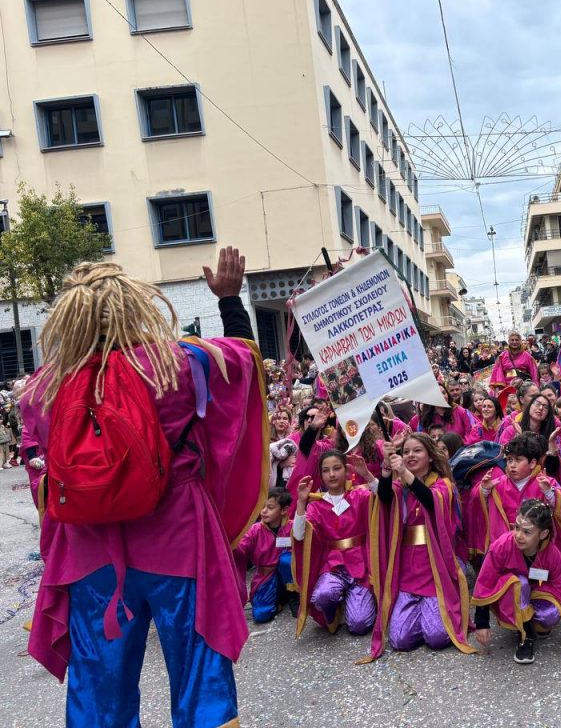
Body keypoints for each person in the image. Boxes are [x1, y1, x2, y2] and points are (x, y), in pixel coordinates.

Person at [20, 247, 266, 727]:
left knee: (97, 690)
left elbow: (44, 483)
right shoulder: (175, 367)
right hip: (178, 541)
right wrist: (230, 300)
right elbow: (246, 368)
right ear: (135, 307)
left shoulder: (41, 391)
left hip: (90, 554)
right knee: (199, 674)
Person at [368, 433, 474, 657]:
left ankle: (431, 612)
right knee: (399, 640)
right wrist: (387, 470)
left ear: (430, 457)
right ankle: (417, 610)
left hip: (435, 565)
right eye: (405, 452)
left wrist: (404, 472)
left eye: (417, 451)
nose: (410, 455)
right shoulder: (400, 485)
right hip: (408, 567)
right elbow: (385, 499)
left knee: (436, 637)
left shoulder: (443, 484)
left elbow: (430, 499)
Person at [472, 499, 561, 665]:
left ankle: (535, 621)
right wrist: (481, 622)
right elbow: (485, 581)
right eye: (517, 527)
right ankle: (526, 637)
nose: (518, 535)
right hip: (510, 595)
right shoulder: (501, 546)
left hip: (538, 592)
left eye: (527, 532)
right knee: (520, 583)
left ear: (543, 534)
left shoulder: (552, 555)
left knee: (550, 616)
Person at [291, 452, 377, 638]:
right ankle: (335, 611)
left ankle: (356, 601)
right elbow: (298, 535)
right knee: (322, 597)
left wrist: (368, 474)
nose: (331, 474)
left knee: (359, 626)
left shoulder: (360, 495)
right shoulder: (317, 505)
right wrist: (301, 502)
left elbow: (385, 498)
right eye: (326, 470)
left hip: (361, 566)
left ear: (346, 471)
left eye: (337, 468)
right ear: (320, 475)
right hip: (333, 566)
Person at [471, 432, 561, 559]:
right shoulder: (497, 484)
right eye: (509, 460)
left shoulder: (545, 482)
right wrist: (484, 490)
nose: (512, 465)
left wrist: (549, 493)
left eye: (518, 460)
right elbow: (475, 505)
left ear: (532, 463)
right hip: (505, 547)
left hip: (537, 547)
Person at [234, 487, 297, 624]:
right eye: (262, 506)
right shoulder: (255, 530)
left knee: (287, 559)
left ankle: (293, 595)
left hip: (287, 575)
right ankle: (279, 601)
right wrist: (230, 541)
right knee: (261, 615)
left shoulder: (292, 527)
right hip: (265, 578)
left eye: (269, 507)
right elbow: (240, 550)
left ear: (284, 510)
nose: (263, 511)